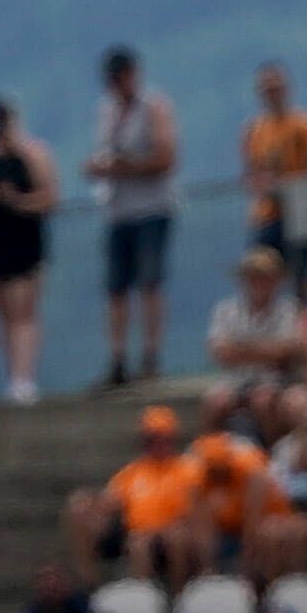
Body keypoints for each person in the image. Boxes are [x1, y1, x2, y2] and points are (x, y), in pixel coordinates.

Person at [88, 46, 179, 389]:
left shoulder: (155, 107)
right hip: (117, 211)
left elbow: (166, 157)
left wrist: (125, 166)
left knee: (150, 284)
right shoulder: (105, 111)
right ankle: (118, 359)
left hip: (152, 209)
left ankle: (151, 356)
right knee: (116, 289)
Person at [0, 98, 58, 405]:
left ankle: (24, 377)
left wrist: (16, 200)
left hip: (26, 243)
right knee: (5, 316)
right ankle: (14, 375)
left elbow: (48, 198)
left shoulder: (34, 154)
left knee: (24, 312)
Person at [242, 61, 307, 288]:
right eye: (267, 89)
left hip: (302, 210)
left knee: (301, 273)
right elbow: (250, 172)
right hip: (268, 213)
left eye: (276, 88)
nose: (272, 94)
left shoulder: (306, 125)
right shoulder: (254, 130)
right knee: (262, 271)